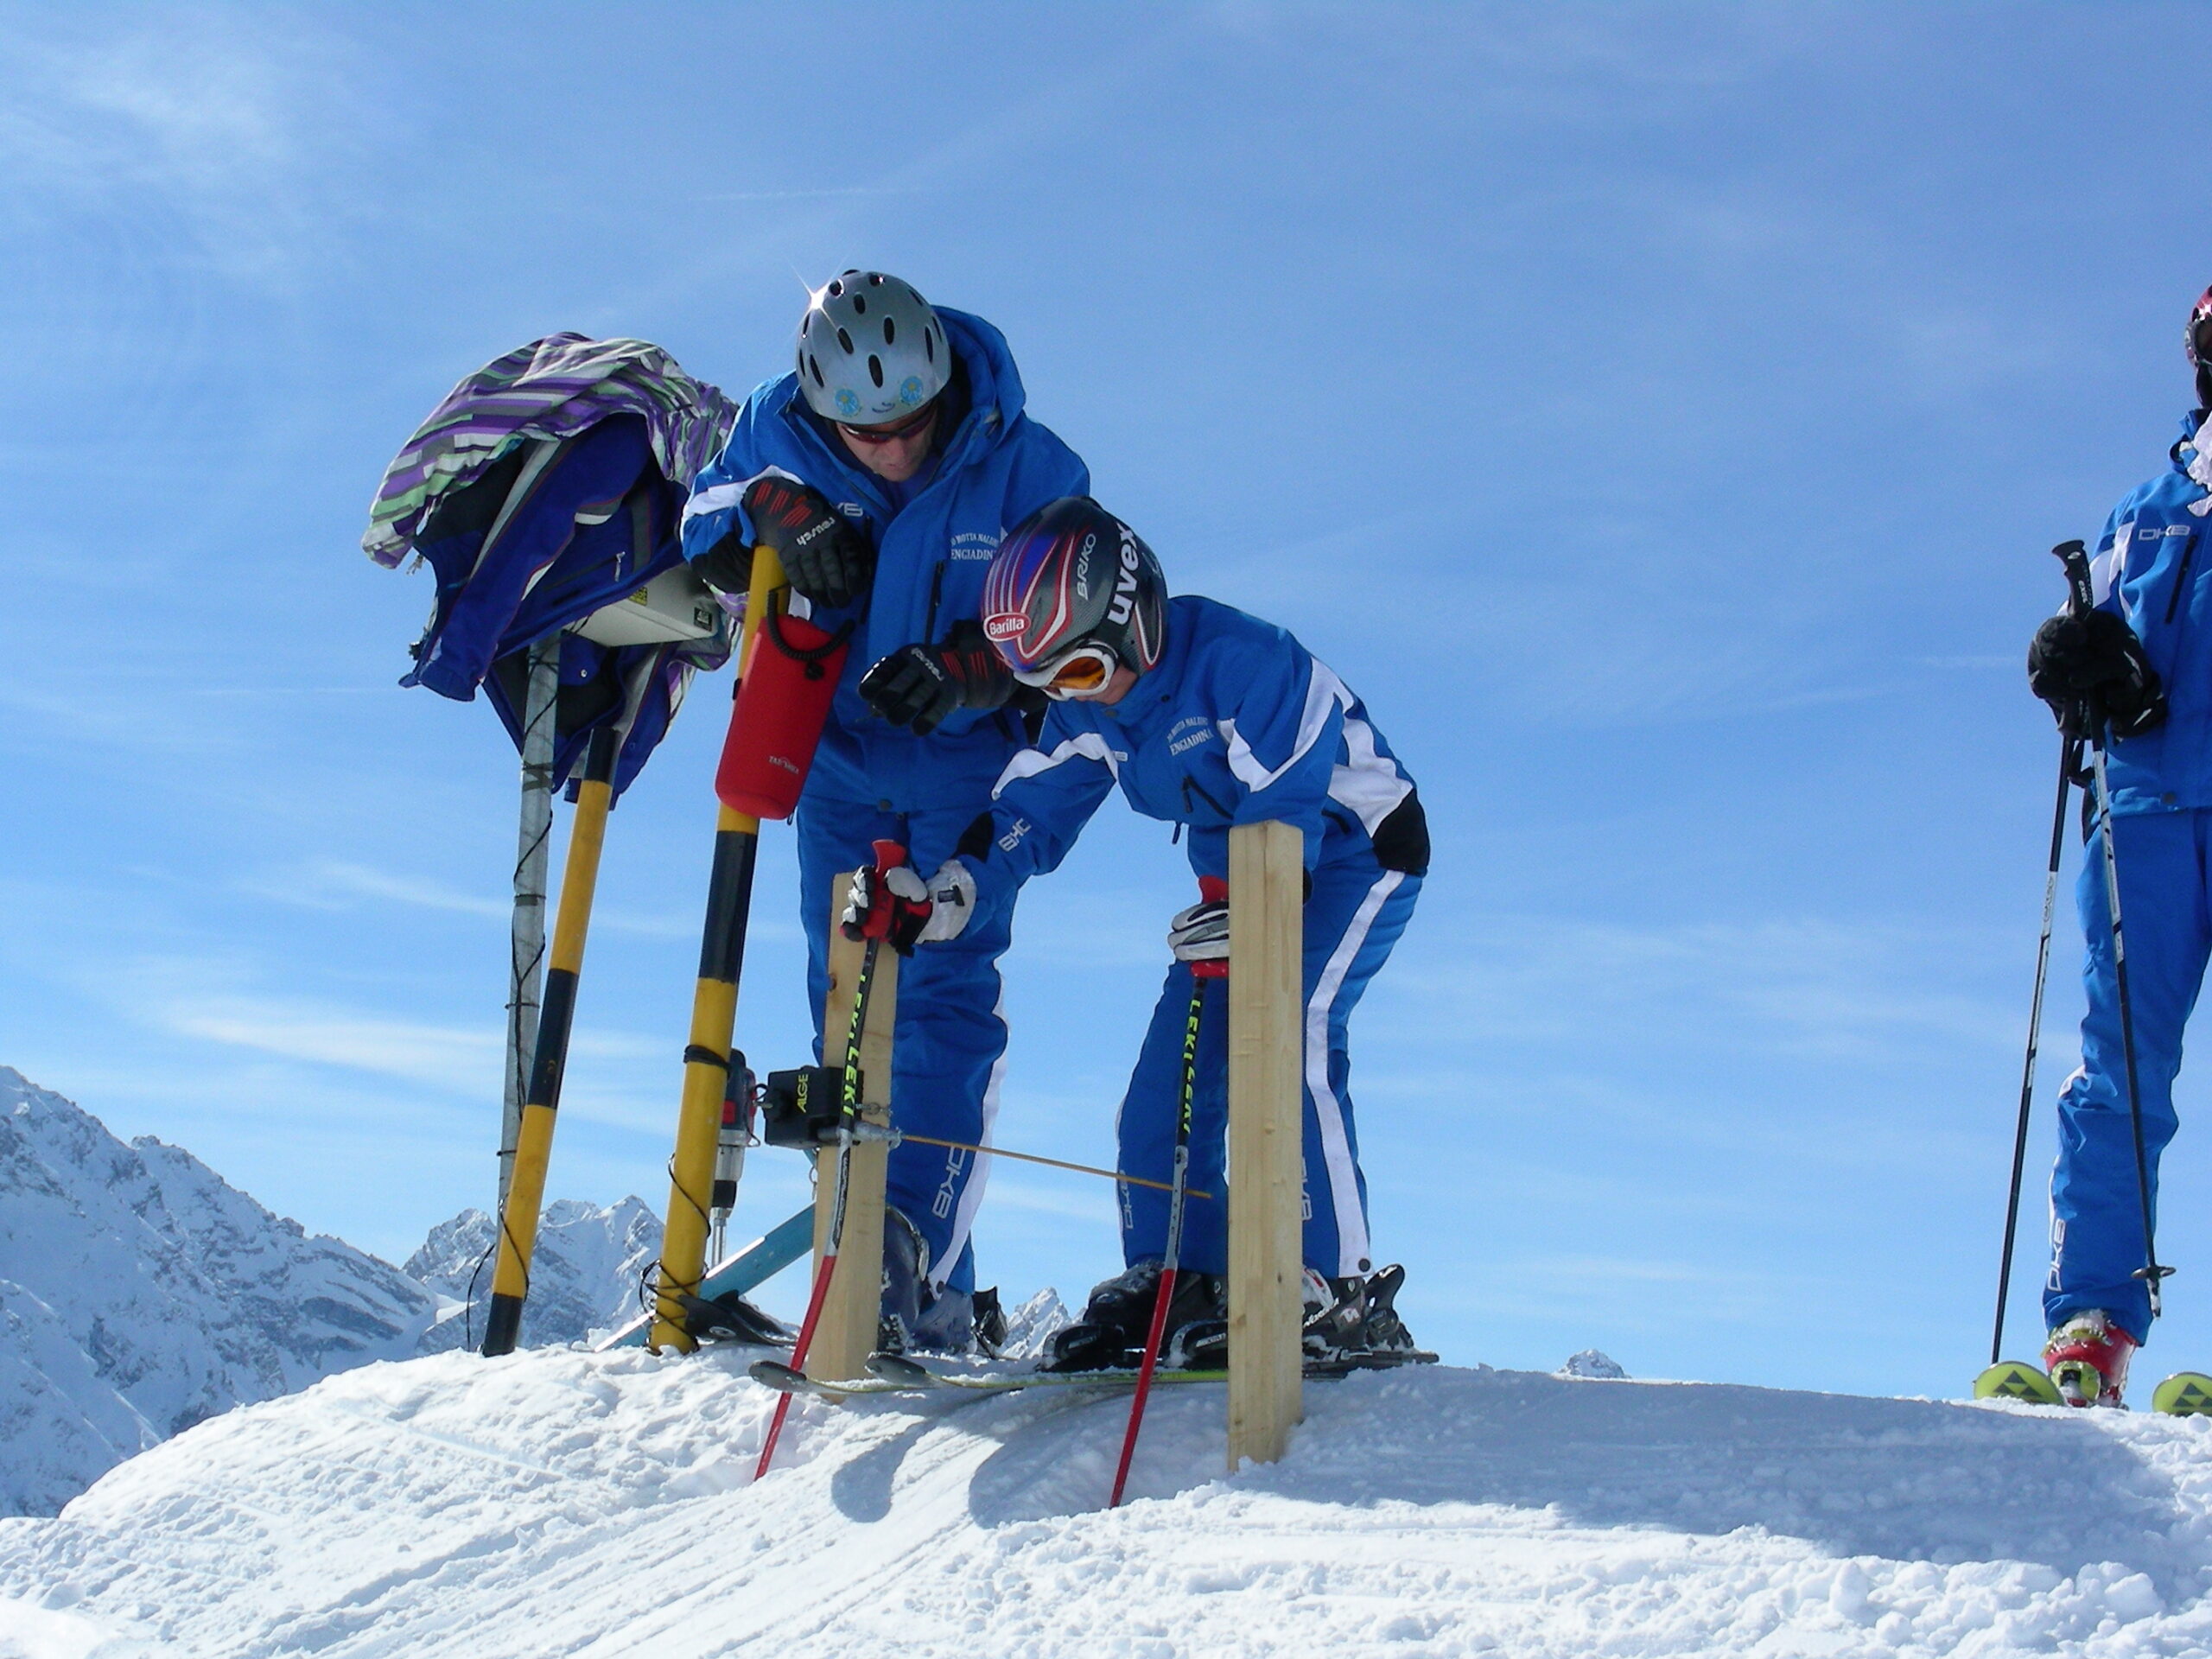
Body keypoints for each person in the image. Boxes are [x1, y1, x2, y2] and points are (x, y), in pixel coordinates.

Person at [842, 497, 1433, 1369]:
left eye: (1081, 670)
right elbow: (1029, 811)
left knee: (1290, 1034)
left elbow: (1287, 806)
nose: (1074, 697)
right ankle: (1178, 1275)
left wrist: (1255, 914)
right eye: (1046, 685)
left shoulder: (1244, 664)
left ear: (1136, 619)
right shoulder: (1090, 709)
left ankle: (1335, 1287)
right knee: (1165, 1087)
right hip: (1234, 887)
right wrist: (952, 892)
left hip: (1352, 858)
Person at [682, 272, 1088, 1351]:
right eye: (867, 435)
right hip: (831, 757)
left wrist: (975, 671)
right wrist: (774, 509)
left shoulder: (1029, 466)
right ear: (825, 413)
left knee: (939, 1000)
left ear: (944, 385)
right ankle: (901, 1280)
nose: (897, 450)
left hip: (963, 766)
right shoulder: (777, 425)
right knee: (846, 1007)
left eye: (913, 423)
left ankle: (900, 1254)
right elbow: (700, 517)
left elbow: (1081, 616)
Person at [2023, 287, 2212, 1406]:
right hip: (2141, 814)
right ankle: (2092, 1325)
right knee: (2121, 1073)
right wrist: (2079, 670)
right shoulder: (2146, 510)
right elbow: (2105, 653)